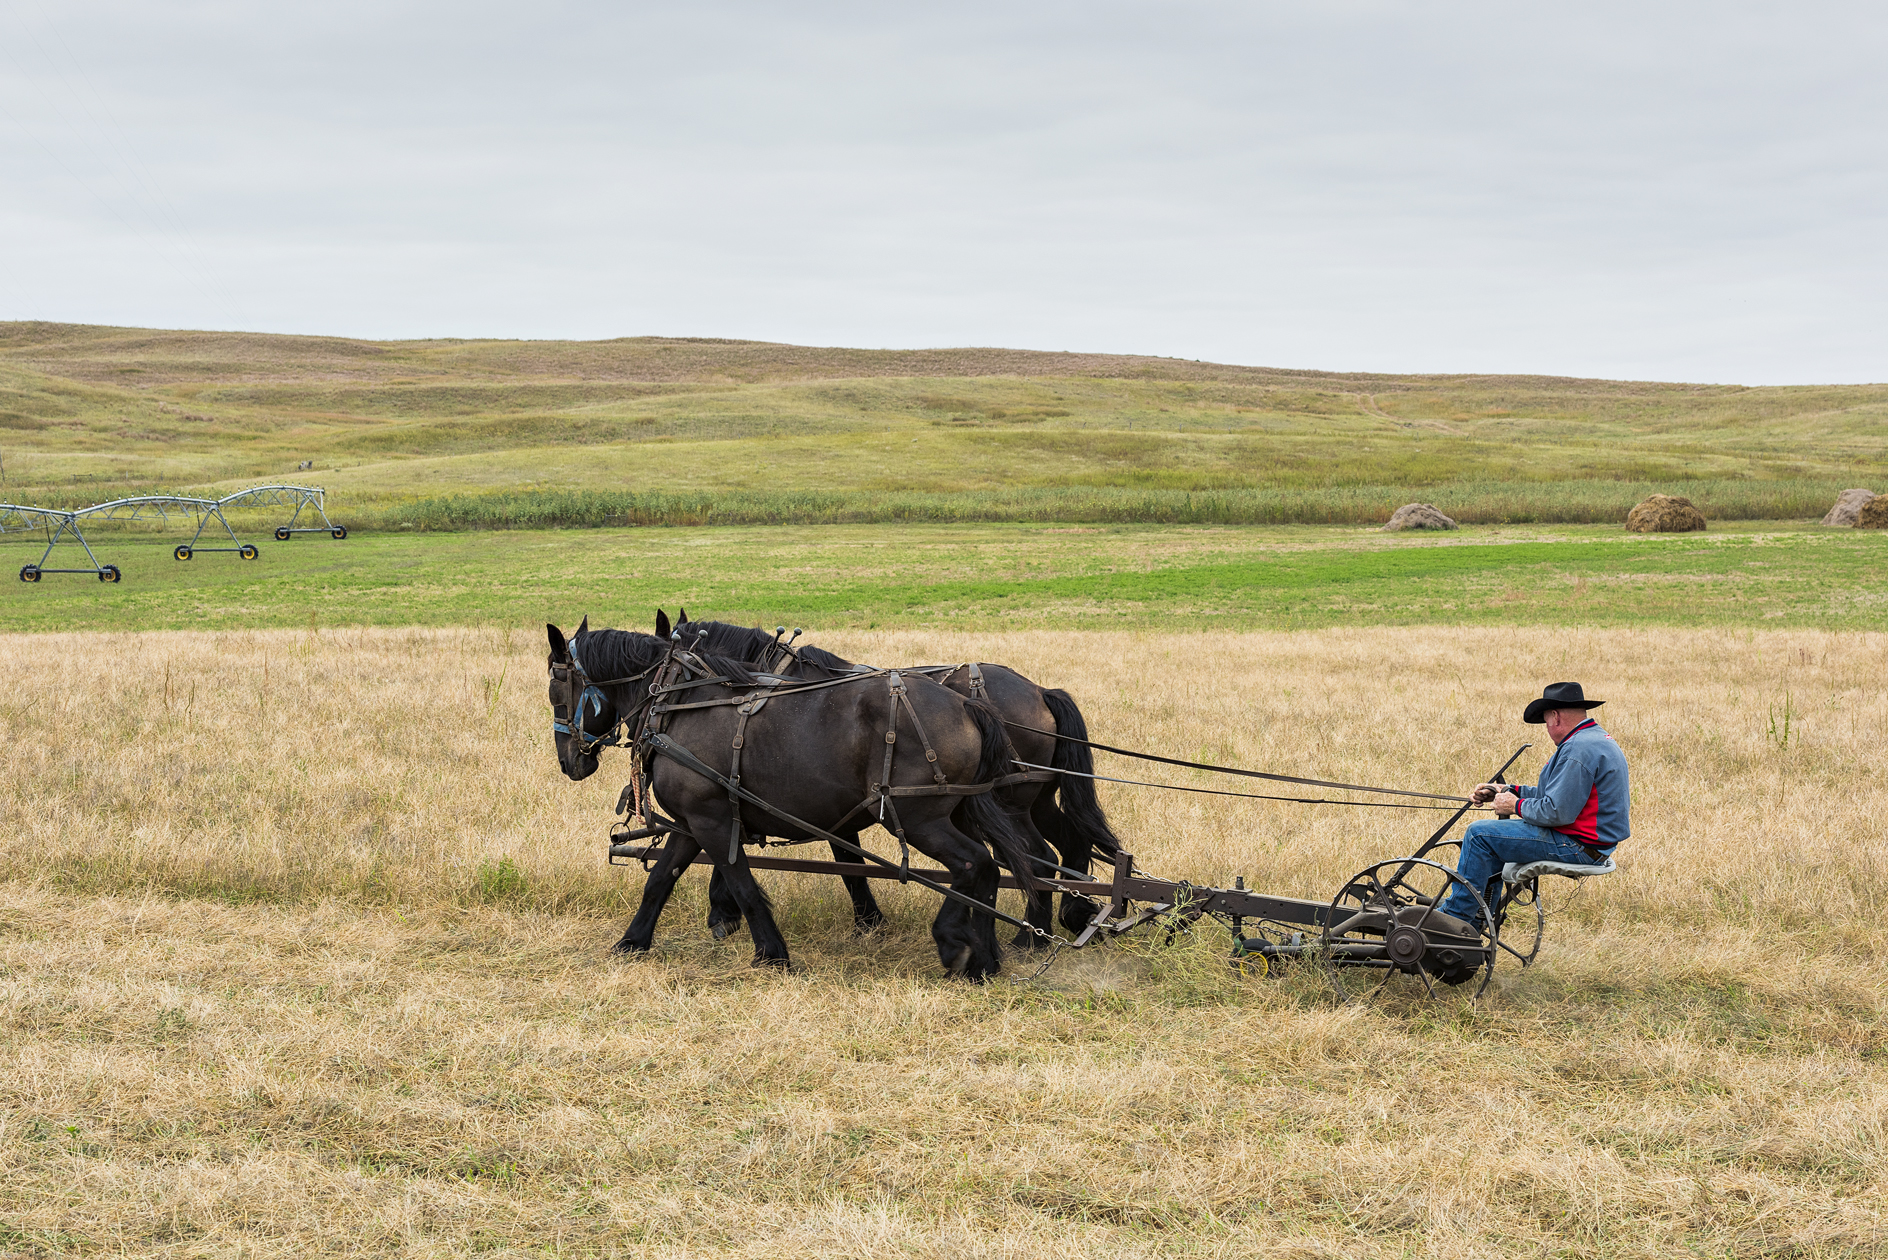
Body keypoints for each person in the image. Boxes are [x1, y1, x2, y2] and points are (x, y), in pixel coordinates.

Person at [1437, 682, 1629, 927]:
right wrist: (1507, 791)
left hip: (1576, 845)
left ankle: (1454, 920)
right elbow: (1555, 794)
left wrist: (1514, 806)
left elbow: (1557, 811)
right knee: (1493, 838)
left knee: (1478, 835)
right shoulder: (1592, 738)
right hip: (1591, 843)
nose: (1548, 729)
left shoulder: (1577, 749)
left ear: (1554, 717)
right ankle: (1477, 916)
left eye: (1546, 722)